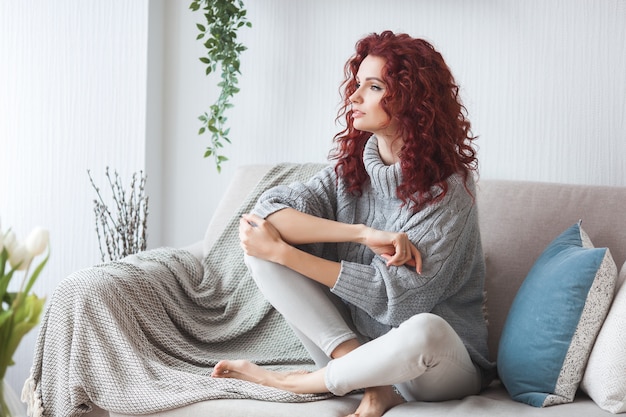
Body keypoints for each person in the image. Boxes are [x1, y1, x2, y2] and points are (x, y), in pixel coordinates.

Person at [212, 30, 495, 417]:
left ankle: (290, 380)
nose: (354, 97)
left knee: (424, 328)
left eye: (374, 86)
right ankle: (374, 387)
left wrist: (286, 253)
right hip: (358, 352)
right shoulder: (352, 172)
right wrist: (362, 233)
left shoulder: (450, 192)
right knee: (259, 248)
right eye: (357, 84)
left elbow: (396, 300)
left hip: (434, 366)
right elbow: (265, 214)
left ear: (414, 102)